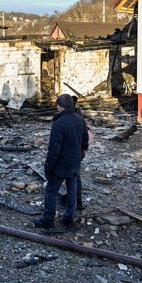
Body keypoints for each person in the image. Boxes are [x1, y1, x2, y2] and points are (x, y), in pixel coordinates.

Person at [33, 94, 89, 230]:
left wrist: (48, 167)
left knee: (51, 191)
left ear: (60, 106)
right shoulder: (79, 120)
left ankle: (48, 220)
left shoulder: (58, 123)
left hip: (60, 164)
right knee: (72, 190)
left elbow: (54, 150)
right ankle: (68, 218)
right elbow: (85, 142)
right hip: (75, 162)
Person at [59, 95, 91, 210]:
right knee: (75, 175)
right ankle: (75, 198)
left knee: (74, 177)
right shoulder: (79, 115)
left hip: (73, 153)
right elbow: (85, 138)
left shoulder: (74, 117)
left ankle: (76, 200)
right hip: (78, 152)